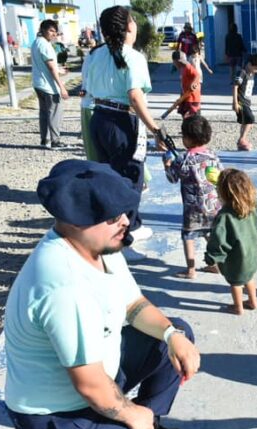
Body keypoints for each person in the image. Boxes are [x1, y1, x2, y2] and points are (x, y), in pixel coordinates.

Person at [0, 159, 201, 429]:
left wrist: (171, 336)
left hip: (93, 385)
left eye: (125, 211)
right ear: (76, 219)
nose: (125, 222)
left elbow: (133, 305)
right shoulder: (63, 285)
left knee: (177, 332)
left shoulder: (100, 246)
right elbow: (89, 383)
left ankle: (145, 425)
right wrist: (128, 413)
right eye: (112, 216)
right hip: (57, 416)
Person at [86, 6, 166, 252]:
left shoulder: (95, 55)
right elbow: (134, 96)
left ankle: (129, 224)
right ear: (129, 26)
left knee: (109, 176)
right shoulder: (133, 56)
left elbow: (87, 86)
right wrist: (155, 129)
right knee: (130, 178)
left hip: (98, 117)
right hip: (122, 121)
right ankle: (125, 234)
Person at [163, 115, 222, 279]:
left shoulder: (183, 159)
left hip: (193, 208)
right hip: (213, 204)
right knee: (210, 234)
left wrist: (167, 164)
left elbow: (173, 178)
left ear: (187, 139)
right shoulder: (212, 155)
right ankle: (214, 264)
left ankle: (191, 270)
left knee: (189, 236)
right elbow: (221, 175)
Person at [204, 169, 257, 315]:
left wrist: (211, 257)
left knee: (235, 283)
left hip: (236, 259)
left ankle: (238, 307)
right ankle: (253, 302)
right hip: (251, 255)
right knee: (249, 278)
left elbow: (219, 241)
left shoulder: (224, 216)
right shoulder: (251, 207)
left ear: (223, 193)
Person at [31, 20, 68, 149]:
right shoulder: (46, 46)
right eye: (51, 31)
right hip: (49, 86)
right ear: (43, 30)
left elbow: (46, 65)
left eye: (55, 31)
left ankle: (44, 139)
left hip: (38, 83)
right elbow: (51, 68)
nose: (54, 34)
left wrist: (59, 70)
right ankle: (55, 141)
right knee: (54, 113)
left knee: (44, 113)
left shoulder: (36, 42)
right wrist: (62, 87)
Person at [233, 53, 257, 151]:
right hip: (241, 102)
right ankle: (242, 139)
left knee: (245, 121)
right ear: (250, 64)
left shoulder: (251, 74)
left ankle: (241, 141)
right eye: (256, 68)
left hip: (247, 102)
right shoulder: (242, 73)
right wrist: (235, 102)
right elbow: (235, 86)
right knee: (250, 119)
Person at [163, 50, 201, 119]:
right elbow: (183, 85)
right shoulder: (182, 69)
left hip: (192, 97)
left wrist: (193, 83)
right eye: (178, 62)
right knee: (184, 113)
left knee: (192, 118)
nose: (179, 64)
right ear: (175, 62)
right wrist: (181, 97)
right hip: (186, 97)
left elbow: (197, 75)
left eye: (181, 62)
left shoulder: (187, 67)